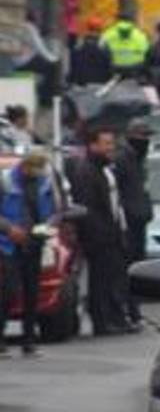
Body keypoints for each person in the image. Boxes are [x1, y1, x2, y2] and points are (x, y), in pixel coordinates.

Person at [69, 128, 137, 336]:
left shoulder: (106, 170)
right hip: (99, 238)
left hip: (112, 234)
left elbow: (114, 204)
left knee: (112, 278)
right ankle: (102, 320)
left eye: (112, 143)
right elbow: (88, 209)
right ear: (93, 145)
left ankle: (114, 317)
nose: (111, 148)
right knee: (100, 281)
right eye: (106, 143)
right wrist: (103, 234)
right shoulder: (86, 171)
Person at [0, 149, 57, 356]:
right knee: (9, 290)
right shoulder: (5, 181)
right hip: (8, 243)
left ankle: (29, 340)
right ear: (26, 166)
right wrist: (9, 229)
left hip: (34, 242)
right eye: (36, 169)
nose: (39, 173)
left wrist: (48, 226)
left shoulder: (43, 182)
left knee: (32, 293)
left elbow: (52, 211)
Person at [114, 118, 155, 324]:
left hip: (139, 222)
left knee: (137, 266)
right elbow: (118, 194)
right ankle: (128, 310)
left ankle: (134, 310)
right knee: (129, 267)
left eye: (148, 137)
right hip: (128, 224)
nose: (146, 141)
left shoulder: (139, 161)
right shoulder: (123, 159)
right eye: (142, 136)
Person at [100, 8, 150, 79]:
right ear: (131, 20)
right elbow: (147, 50)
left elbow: (100, 48)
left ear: (117, 20)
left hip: (114, 67)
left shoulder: (108, 33)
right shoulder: (140, 34)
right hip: (135, 67)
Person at [68, 16, 113, 86]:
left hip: (82, 82)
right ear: (100, 29)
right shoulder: (104, 43)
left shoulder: (80, 42)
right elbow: (109, 61)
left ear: (88, 27)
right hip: (100, 81)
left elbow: (73, 61)